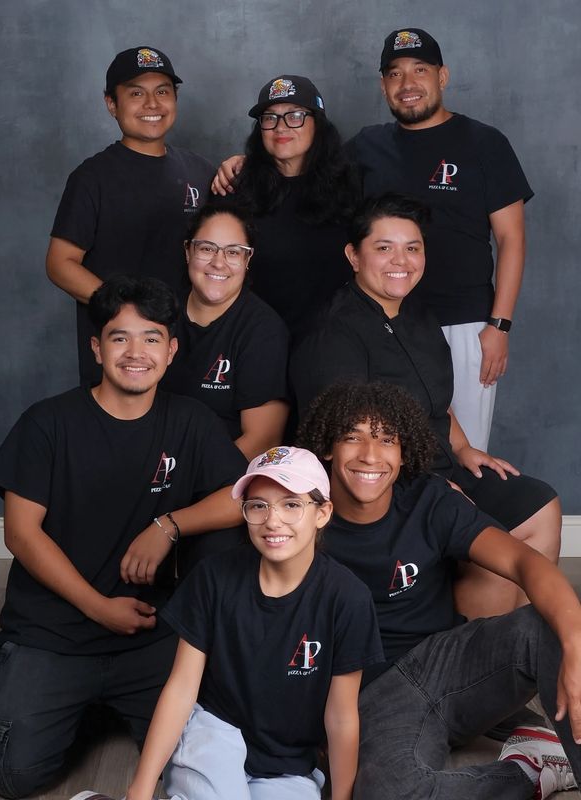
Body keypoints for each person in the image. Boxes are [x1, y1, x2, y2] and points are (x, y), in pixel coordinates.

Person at [0, 276, 247, 799]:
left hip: (150, 636)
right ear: (97, 347)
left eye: (151, 338)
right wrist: (98, 606)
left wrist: (167, 525)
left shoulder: (190, 421)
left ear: (170, 351)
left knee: (197, 766)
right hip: (53, 632)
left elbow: (241, 498)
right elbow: (19, 532)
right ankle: (66, 705)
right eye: (119, 337)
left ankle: (90, 707)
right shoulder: (48, 422)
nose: (135, 353)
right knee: (9, 774)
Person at [298, 381, 581, 800]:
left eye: (386, 440)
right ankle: (531, 772)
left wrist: (574, 644)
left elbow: (525, 563)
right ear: (327, 448)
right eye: (352, 437)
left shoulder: (428, 500)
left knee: (555, 625)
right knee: (390, 793)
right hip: (374, 696)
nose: (370, 455)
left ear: (403, 451)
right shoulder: (298, 517)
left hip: (449, 662)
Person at [290, 194, 560, 619]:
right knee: (491, 553)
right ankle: (467, 671)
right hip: (387, 484)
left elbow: (435, 401)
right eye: (384, 248)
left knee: (540, 506)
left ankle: (521, 654)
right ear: (353, 256)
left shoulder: (416, 313)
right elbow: (345, 447)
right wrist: (434, 495)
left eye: (412, 248)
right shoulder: (334, 334)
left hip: (440, 466)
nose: (402, 260)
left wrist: (465, 448)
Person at [103, 446, 383, 800]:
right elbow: (181, 688)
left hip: (286, 760)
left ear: (322, 513)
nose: (272, 520)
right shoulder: (214, 577)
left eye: (291, 504)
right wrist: (140, 789)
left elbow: (341, 716)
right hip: (215, 732)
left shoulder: (347, 598)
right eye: (258, 505)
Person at [345, 27, 533, 450]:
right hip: (384, 322)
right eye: (395, 74)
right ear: (383, 84)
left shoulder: (484, 143)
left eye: (420, 70)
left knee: (463, 454)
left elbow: (512, 239)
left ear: (442, 77)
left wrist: (499, 326)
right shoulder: (365, 147)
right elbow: (308, 179)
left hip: (464, 323)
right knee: (387, 449)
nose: (408, 85)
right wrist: (245, 161)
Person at [46, 46, 213, 385]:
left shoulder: (201, 172)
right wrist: (128, 315)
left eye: (162, 92)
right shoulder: (92, 178)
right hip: (122, 356)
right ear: (112, 104)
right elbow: (60, 263)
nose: (152, 104)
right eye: (136, 93)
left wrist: (237, 164)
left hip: (190, 350)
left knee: (184, 434)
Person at [212, 74, 359, 337]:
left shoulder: (351, 189)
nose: (281, 127)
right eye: (270, 118)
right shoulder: (234, 191)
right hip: (255, 340)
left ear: (319, 124)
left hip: (333, 343)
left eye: (295, 115)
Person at [159, 203, 290, 459]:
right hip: (149, 462)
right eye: (207, 248)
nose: (218, 263)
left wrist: (189, 481)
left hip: (220, 478)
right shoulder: (159, 313)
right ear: (188, 251)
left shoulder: (264, 331)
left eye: (233, 252)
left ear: (247, 259)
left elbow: (263, 440)